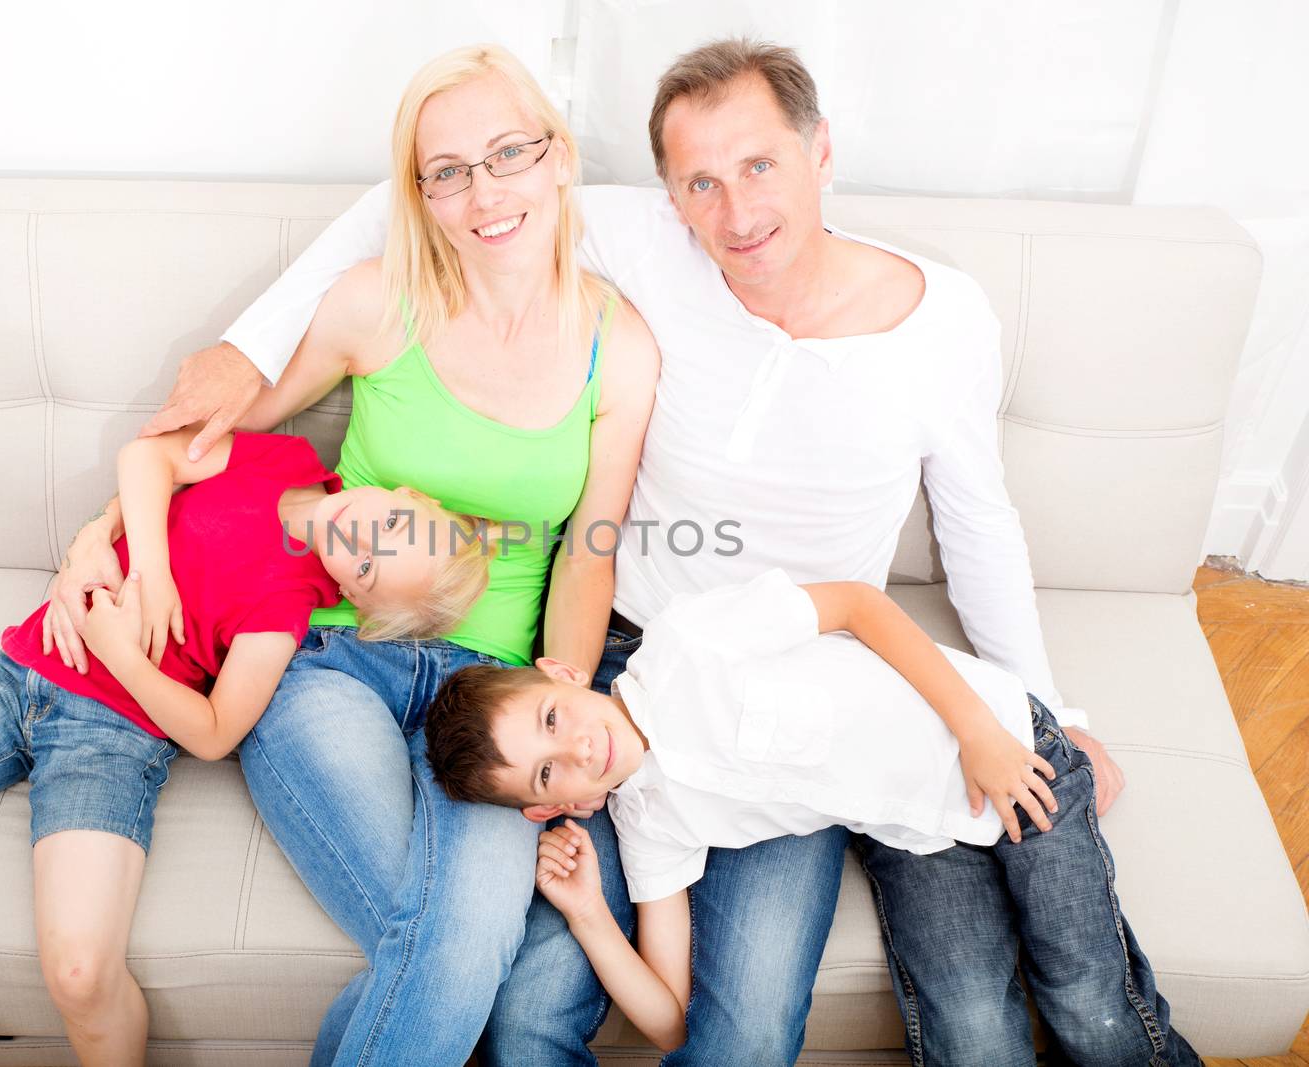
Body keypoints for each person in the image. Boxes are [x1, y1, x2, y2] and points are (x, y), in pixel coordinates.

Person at [116, 37, 1131, 1063]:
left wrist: (1053, 709)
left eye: (759, 165)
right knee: (517, 992)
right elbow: (415, 199)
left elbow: (976, 524)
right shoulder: (632, 235)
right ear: (667, 192)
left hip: (768, 666)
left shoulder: (930, 317)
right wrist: (239, 354)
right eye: (700, 181)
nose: (734, 211)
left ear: (821, 150)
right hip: (606, 666)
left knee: (728, 1027)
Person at [41, 44, 658, 1067]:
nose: (483, 192)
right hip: (325, 657)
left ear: (558, 159)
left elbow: (588, 551)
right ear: (418, 194)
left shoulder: (619, 347)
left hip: (491, 687)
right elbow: (208, 451)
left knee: (451, 948)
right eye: (447, 171)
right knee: (459, 950)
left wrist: (564, 687)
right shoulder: (377, 301)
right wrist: (97, 535)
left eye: (508, 153)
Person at [0, 428, 490, 1067]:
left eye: (368, 567)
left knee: (79, 971)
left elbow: (216, 731)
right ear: (405, 495)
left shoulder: (287, 604)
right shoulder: (283, 461)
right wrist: (146, 567)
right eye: (392, 523)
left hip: (110, 736)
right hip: (22, 672)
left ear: (354, 598)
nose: (361, 538)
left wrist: (122, 655)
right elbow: (147, 456)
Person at [424, 568, 1199, 1067]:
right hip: (924, 839)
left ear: (564, 673)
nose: (579, 749)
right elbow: (668, 1022)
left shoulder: (688, 644)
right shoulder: (649, 823)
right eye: (549, 770)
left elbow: (858, 604)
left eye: (554, 718)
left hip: (1008, 751)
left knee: (1089, 1004)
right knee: (971, 1034)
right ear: (555, 807)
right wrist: (590, 913)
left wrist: (979, 733)